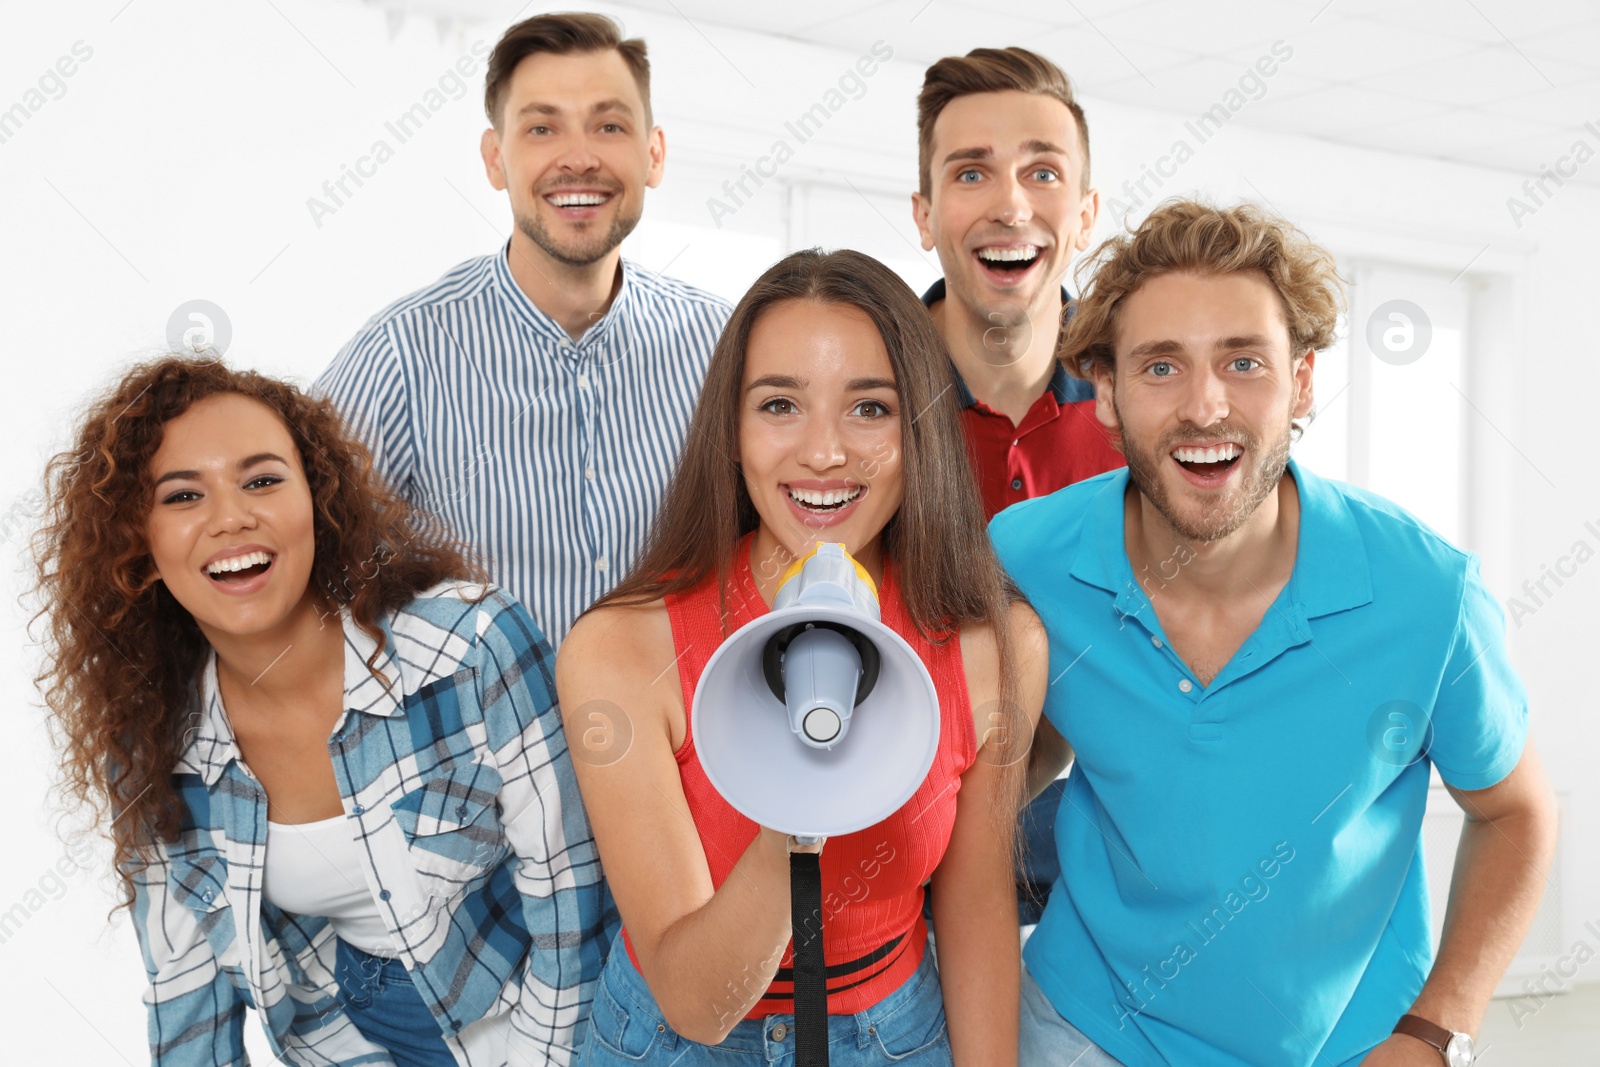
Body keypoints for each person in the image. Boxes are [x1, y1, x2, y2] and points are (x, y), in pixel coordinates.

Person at [992, 200, 1558, 1066]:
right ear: (1105, 393)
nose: (1205, 404)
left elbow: (1516, 811)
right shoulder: (1026, 556)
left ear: (1300, 381)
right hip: (1085, 1023)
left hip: (1346, 1041)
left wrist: (1437, 1031)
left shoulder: (1428, 593)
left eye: (1244, 361)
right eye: (1161, 366)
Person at [33, 356, 606, 1066]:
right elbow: (187, 995)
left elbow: (574, 899)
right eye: (183, 496)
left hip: (565, 1021)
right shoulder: (154, 745)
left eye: (263, 480)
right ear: (139, 548)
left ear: (318, 501)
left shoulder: (472, 644)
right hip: (367, 1036)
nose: (232, 517)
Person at [555, 249, 1046, 1066]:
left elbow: (977, 913)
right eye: (780, 404)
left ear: (919, 426)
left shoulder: (995, 649)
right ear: (733, 431)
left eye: (870, 409)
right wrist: (798, 804)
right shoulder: (620, 649)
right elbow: (695, 1002)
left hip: (896, 1028)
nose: (823, 453)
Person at [317, 11, 731, 648]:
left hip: (679, 740)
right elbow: (306, 554)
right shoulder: (403, 352)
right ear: (495, 159)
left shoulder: (721, 344)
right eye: (542, 127)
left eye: (609, 125)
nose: (579, 158)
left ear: (653, 155)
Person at [911, 44, 1125, 925]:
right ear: (925, 216)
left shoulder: (1140, 409)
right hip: (895, 853)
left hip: (1084, 858)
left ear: (1084, 213)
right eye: (972, 173)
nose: (1010, 204)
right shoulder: (865, 399)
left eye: (1042, 172)